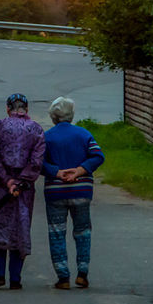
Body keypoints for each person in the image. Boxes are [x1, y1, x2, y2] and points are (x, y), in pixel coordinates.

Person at [0, 92, 46, 290]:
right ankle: (15, 277)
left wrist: (7, 180)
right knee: (19, 227)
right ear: (26, 109)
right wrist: (21, 181)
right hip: (24, 189)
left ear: (7, 109)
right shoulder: (36, 130)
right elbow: (37, 161)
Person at [41, 96, 104, 290]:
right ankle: (82, 274)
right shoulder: (84, 135)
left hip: (55, 192)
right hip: (81, 190)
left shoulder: (47, 137)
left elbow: (37, 162)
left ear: (53, 117)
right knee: (83, 232)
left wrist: (56, 172)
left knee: (57, 233)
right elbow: (98, 156)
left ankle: (63, 277)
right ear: (72, 115)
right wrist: (79, 170)